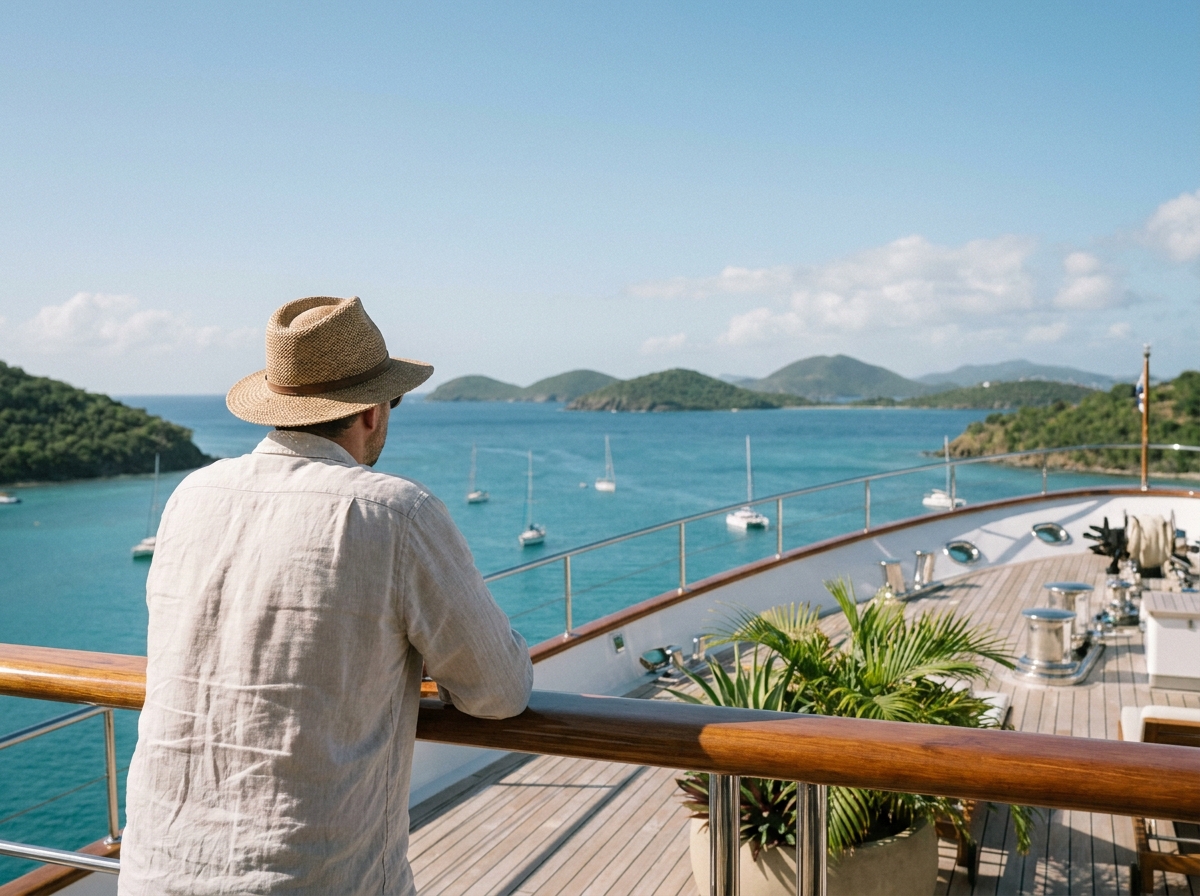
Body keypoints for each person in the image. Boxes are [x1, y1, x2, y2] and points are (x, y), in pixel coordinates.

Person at [120, 296, 533, 895]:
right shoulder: (395, 511)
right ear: (370, 410)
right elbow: (499, 691)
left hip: (157, 870)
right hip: (313, 879)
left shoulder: (191, 496)